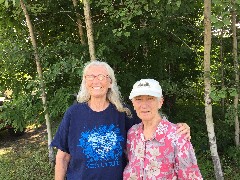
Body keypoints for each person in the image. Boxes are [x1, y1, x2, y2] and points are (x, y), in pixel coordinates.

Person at [51, 60, 191, 180]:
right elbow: (62, 157)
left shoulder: (123, 112)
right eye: (90, 76)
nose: (96, 81)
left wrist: (177, 128)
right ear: (85, 81)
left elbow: (150, 125)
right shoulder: (73, 113)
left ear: (110, 82)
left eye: (101, 76)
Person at [123, 79, 202, 180]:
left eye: (150, 98)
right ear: (133, 103)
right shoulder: (132, 133)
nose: (144, 105)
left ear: (160, 102)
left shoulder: (178, 135)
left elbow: (191, 176)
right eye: (138, 99)